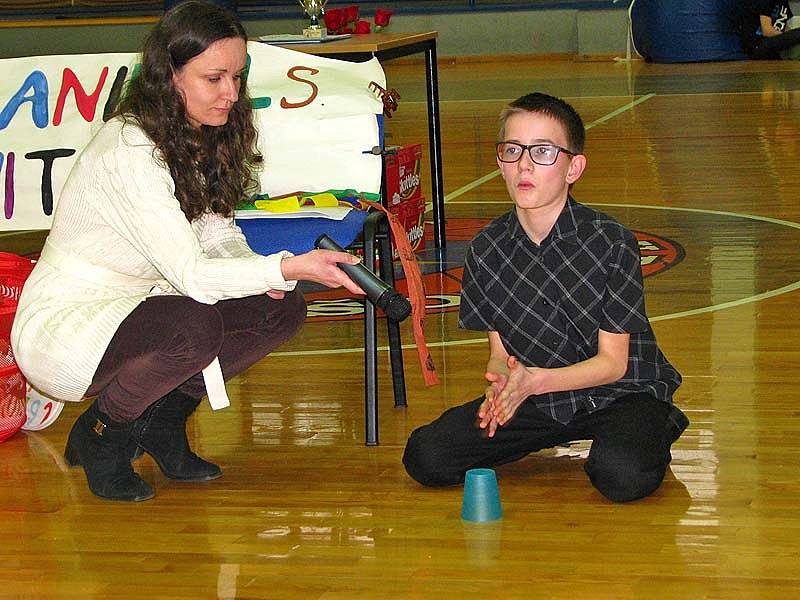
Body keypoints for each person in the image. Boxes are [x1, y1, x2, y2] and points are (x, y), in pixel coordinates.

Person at [10, 0, 365, 502]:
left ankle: (162, 420)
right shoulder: (130, 150)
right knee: (193, 325)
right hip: (69, 325)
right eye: (214, 78)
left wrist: (278, 277)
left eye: (238, 77)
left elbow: (219, 239)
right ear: (170, 77)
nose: (231, 94)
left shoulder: (196, 137)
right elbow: (194, 275)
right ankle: (102, 437)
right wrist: (287, 264)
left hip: (146, 306)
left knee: (279, 309)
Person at [402, 92, 689, 503]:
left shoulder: (611, 242)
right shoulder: (487, 248)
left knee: (623, 477)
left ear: (574, 167)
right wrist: (503, 383)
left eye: (543, 151)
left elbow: (613, 363)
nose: (524, 164)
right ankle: (556, 432)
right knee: (427, 457)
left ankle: (653, 426)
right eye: (512, 150)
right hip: (540, 395)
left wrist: (533, 382)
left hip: (624, 390)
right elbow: (500, 351)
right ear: (499, 160)